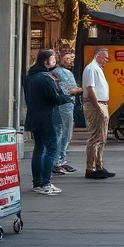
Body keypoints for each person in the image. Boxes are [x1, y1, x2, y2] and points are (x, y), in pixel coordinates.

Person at [24, 48, 74, 195]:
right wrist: (68, 96)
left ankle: (37, 182)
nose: (54, 61)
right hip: (46, 117)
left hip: (33, 117)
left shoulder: (31, 77)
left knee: (39, 148)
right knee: (51, 148)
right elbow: (54, 98)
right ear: (45, 61)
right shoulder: (45, 77)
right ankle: (45, 183)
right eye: (52, 59)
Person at [81, 47, 115, 179]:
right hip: (96, 105)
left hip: (102, 104)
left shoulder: (97, 69)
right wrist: (97, 107)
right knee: (95, 137)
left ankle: (99, 165)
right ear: (98, 55)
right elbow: (90, 89)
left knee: (101, 137)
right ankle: (91, 168)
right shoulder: (91, 69)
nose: (106, 60)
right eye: (105, 57)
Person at [51, 45, 84, 174]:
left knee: (64, 133)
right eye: (67, 56)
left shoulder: (64, 72)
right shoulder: (60, 72)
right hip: (64, 106)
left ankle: (60, 160)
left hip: (66, 105)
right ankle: (57, 161)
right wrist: (80, 89)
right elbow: (69, 90)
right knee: (63, 133)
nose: (70, 59)